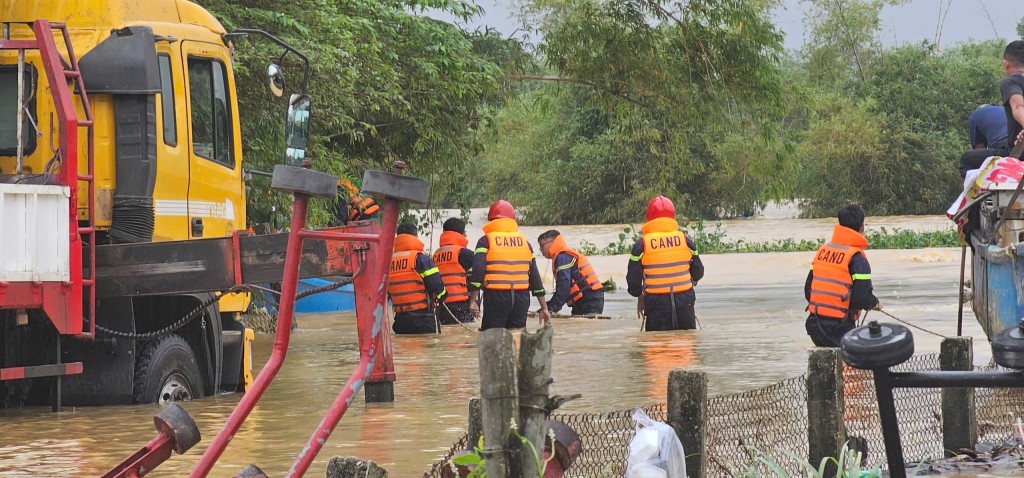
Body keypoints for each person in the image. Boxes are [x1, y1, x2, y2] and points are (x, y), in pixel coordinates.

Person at [467, 200, 550, 330]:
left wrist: (473, 301)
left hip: (496, 297)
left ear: (491, 220)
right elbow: (535, 277)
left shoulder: (486, 241)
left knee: (492, 338)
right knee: (517, 336)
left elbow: (478, 271)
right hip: (521, 298)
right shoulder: (525, 243)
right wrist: (544, 308)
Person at [804, 204, 879, 347]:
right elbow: (861, 299)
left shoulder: (823, 251)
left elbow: (808, 290)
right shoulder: (857, 258)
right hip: (840, 328)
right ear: (862, 227)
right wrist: (874, 303)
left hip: (815, 326)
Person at [626, 196, 704, 331]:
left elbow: (633, 279)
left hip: (657, 303)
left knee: (657, 347)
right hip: (685, 301)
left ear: (649, 217)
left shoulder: (642, 245)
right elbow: (698, 272)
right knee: (687, 346)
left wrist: (639, 295)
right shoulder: (685, 240)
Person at [961, 41, 1024, 176]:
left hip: (1016, 151)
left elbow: (1018, 106)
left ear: (1006, 64)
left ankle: (987, 191)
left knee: (966, 160)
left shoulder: (1011, 81)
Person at [388, 222, 447, 334]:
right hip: (422, 319)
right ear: (415, 237)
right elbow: (436, 284)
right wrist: (443, 296)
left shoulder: (389, 262)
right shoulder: (420, 259)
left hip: (400, 321)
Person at [538, 230, 605, 316]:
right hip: (584, 301)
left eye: (541, 245)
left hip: (589, 301)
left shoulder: (562, 257)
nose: (540, 249)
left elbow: (564, 287)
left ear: (552, 242)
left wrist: (551, 309)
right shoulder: (563, 256)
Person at [432, 217, 476, 325]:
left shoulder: (436, 254)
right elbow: (477, 277)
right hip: (461, 305)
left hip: (442, 306)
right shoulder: (464, 253)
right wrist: (473, 302)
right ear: (461, 234)